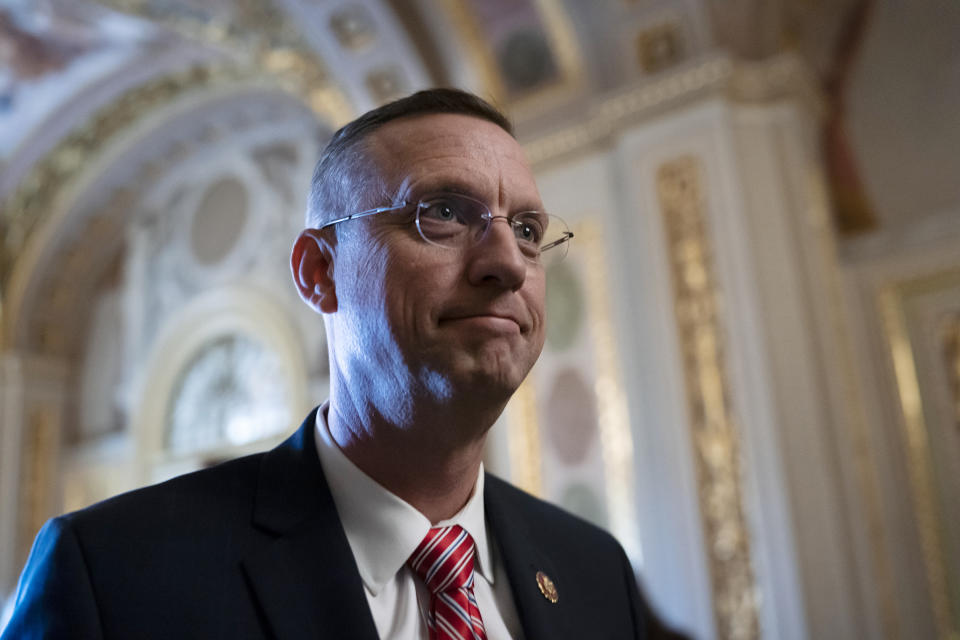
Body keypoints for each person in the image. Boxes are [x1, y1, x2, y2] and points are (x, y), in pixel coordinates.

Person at [2, 89, 686, 639]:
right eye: (443, 213)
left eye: (529, 230)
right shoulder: (114, 576)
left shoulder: (595, 572)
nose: (508, 262)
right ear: (319, 272)